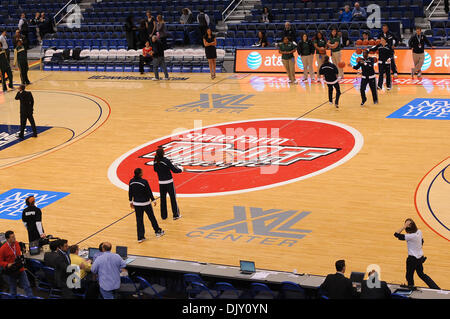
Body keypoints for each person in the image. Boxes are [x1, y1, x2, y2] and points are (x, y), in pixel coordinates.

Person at [394, 219, 440, 289]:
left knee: (409, 276)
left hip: (412, 259)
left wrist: (404, 226)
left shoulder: (410, 236)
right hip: (420, 258)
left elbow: (396, 234)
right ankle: (436, 288)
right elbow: (422, 241)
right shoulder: (419, 232)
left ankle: (411, 288)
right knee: (421, 274)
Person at [129, 167, 164, 242]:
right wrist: (153, 199)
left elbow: (130, 192)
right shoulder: (144, 182)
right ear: (140, 174)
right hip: (145, 203)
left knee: (139, 220)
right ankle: (158, 231)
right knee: (151, 217)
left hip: (137, 204)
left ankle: (140, 237)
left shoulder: (131, 181)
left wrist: (130, 202)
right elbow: (149, 192)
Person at [0, 230, 34, 297]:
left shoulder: (17, 243)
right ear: (7, 239)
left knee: (27, 286)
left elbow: (18, 253)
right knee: (13, 290)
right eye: (12, 237)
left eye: (14, 236)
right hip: (11, 271)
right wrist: (7, 264)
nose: (14, 238)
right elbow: (0, 261)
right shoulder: (2, 249)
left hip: (20, 269)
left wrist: (23, 250)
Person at [153, 147, 183, 220]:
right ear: (163, 153)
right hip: (169, 182)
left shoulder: (155, 161)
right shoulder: (166, 160)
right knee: (173, 198)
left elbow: (155, 170)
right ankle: (175, 215)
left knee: (162, 199)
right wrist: (181, 170)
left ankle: (164, 216)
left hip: (161, 183)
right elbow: (174, 170)